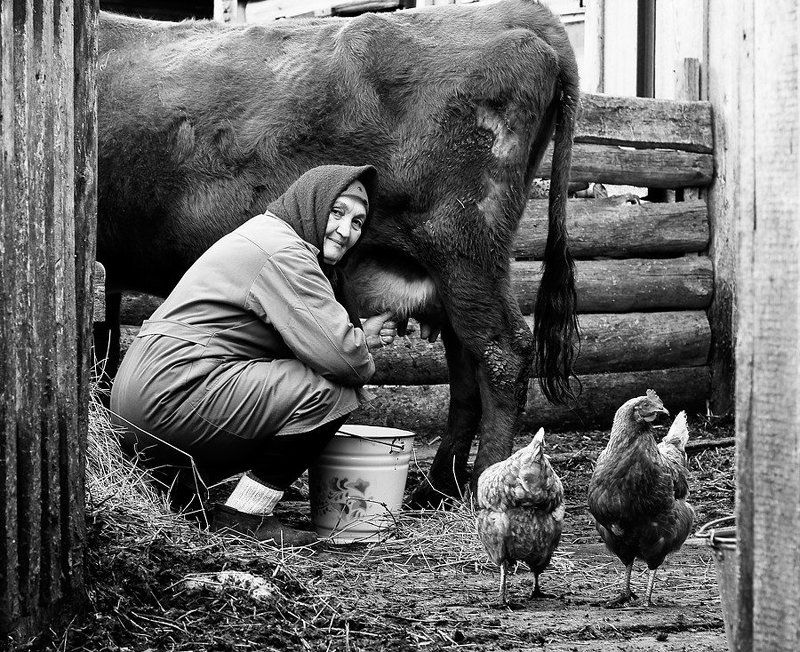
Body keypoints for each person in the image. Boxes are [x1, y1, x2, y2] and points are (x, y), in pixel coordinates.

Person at [110, 164, 396, 546]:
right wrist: (359, 347)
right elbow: (345, 362)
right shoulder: (286, 254)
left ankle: (180, 489)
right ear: (311, 203)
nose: (346, 231)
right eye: (337, 212)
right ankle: (245, 514)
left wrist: (359, 338)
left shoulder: (265, 234)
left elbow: (309, 339)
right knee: (333, 391)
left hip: (143, 401)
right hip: (172, 395)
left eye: (358, 222)